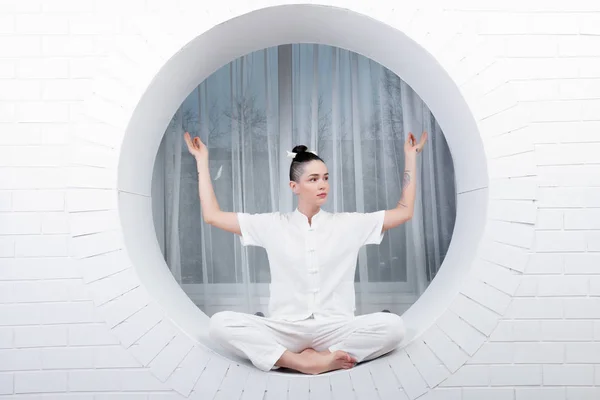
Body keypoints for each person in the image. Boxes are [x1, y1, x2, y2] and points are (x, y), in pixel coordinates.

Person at [183, 130, 427, 375]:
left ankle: (323, 356)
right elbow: (212, 216)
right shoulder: (272, 225)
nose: (322, 184)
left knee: (393, 327)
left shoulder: (349, 224)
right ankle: (300, 362)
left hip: (334, 327)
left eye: (325, 178)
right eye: (313, 179)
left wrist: (410, 157)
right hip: (286, 329)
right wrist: (202, 161)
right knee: (219, 325)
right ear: (294, 186)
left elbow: (404, 211)